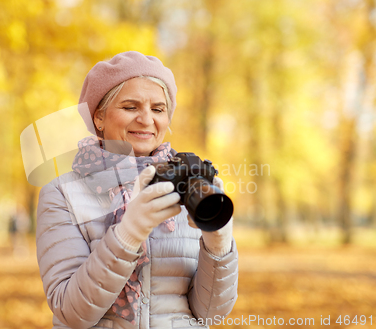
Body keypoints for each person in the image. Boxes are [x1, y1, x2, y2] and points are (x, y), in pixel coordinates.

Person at [36, 51, 238, 329]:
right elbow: (72, 313)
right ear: (99, 118)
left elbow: (212, 314)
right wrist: (127, 235)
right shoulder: (62, 192)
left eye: (157, 109)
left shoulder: (189, 188)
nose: (146, 119)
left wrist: (218, 244)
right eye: (131, 107)